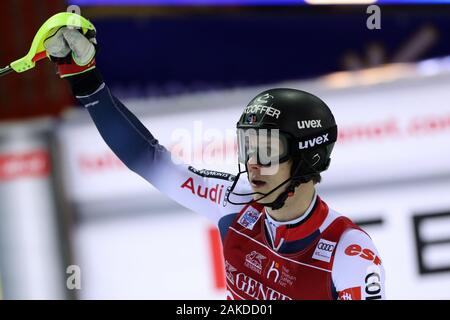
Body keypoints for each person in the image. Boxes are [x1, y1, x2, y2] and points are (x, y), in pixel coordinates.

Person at [44, 27, 385, 300]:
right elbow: (148, 160)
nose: (252, 165)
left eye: (266, 151)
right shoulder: (234, 201)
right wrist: (86, 79)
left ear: (307, 159)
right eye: (247, 149)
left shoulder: (349, 253)